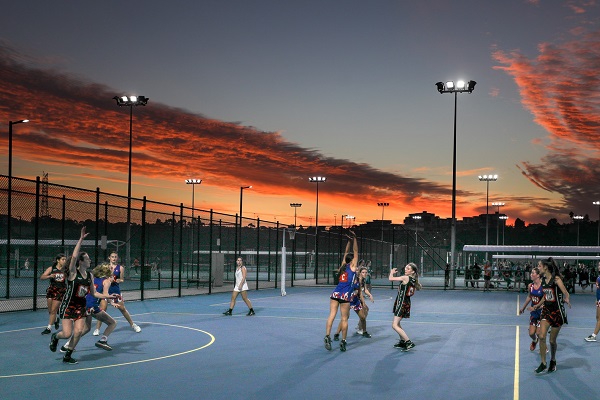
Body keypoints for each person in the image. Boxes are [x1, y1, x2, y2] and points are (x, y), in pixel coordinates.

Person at [49, 227, 116, 364]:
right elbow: (73, 256)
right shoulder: (73, 272)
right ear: (81, 261)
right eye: (87, 258)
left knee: (79, 331)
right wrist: (81, 239)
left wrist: (109, 297)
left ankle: (67, 356)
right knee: (67, 334)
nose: (90, 260)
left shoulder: (90, 275)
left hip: (81, 305)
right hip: (68, 305)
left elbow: (94, 293)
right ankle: (56, 337)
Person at [534, 257, 571, 374]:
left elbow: (565, 292)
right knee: (541, 335)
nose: (538, 268)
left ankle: (553, 360)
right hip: (546, 311)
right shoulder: (543, 280)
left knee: (552, 341)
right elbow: (546, 296)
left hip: (557, 312)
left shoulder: (556, 279)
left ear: (545, 267)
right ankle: (543, 363)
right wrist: (538, 305)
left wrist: (566, 298)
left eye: (539, 266)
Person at [324, 232, 358, 352]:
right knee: (344, 319)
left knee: (331, 315)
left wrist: (348, 241)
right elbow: (355, 251)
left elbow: (345, 254)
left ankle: (327, 336)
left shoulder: (343, 266)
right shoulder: (352, 266)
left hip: (335, 293)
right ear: (352, 260)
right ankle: (343, 341)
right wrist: (354, 238)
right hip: (345, 295)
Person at [93, 251, 141, 335]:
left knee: (122, 308)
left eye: (115, 257)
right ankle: (97, 329)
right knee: (102, 310)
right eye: (112, 257)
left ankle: (133, 325)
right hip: (105, 291)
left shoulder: (120, 268)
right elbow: (99, 275)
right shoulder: (105, 267)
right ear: (109, 258)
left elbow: (122, 279)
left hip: (115, 291)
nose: (114, 258)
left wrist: (119, 280)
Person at [85, 263, 119, 351]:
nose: (112, 269)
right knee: (113, 323)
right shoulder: (106, 281)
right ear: (106, 271)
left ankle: (67, 345)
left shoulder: (94, 279)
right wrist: (112, 301)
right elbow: (105, 295)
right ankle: (103, 340)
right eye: (110, 268)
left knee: (86, 328)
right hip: (93, 306)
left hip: (84, 304)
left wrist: (111, 301)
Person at [389, 262, 422, 351]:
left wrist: (392, 272)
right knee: (398, 323)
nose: (405, 269)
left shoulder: (406, 277)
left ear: (412, 272)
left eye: (408, 268)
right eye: (406, 267)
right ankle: (402, 341)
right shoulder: (413, 279)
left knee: (394, 325)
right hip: (405, 302)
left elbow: (390, 279)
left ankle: (408, 342)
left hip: (402, 303)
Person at [335, 265, 374, 339]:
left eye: (366, 272)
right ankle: (337, 334)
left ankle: (364, 331)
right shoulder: (355, 279)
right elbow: (359, 292)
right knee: (345, 318)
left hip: (355, 300)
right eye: (363, 272)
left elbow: (363, 290)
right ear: (360, 273)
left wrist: (370, 295)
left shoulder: (363, 280)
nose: (365, 274)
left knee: (363, 317)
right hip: (348, 300)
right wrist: (363, 302)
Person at [40, 253, 67, 334]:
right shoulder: (51, 269)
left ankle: (49, 328)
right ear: (58, 260)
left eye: (65, 259)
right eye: (63, 259)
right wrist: (49, 276)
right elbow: (42, 277)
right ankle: (55, 320)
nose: (64, 261)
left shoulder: (66, 270)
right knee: (50, 310)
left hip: (60, 290)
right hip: (52, 290)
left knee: (53, 310)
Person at [519, 266, 544, 351]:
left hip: (542, 312)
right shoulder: (530, 286)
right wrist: (523, 308)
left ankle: (544, 347)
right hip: (534, 313)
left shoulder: (543, 286)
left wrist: (537, 307)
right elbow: (529, 297)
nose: (531, 275)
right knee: (531, 333)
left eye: (533, 273)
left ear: (538, 275)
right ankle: (534, 340)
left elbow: (547, 301)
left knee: (538, 333)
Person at [583, 262, 600, 342]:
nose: (598, 266)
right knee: (598, 317)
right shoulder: (599, 276)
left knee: (599, 318)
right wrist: (597, 299)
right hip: (599, 300)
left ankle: (594, 335)